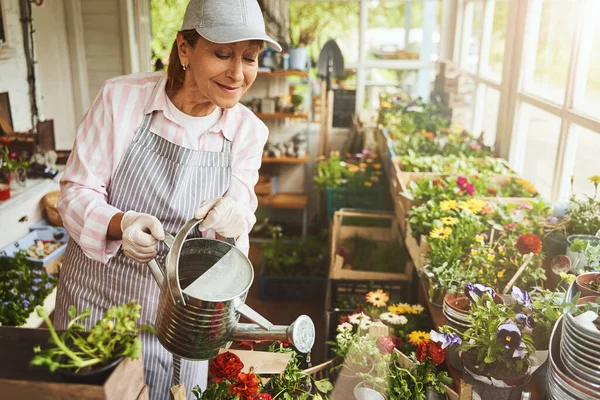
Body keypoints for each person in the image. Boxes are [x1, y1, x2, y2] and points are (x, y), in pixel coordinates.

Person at [55, 1, 281, 399]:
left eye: (250, 57)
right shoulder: (121, 99)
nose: (237, 73)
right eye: (222, 53)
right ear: (184, 49)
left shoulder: (248, 132)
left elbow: (241, 216)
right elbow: (74, 193)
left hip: (183, 324)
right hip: (99, 309)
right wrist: (120, 223)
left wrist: (235, 218)